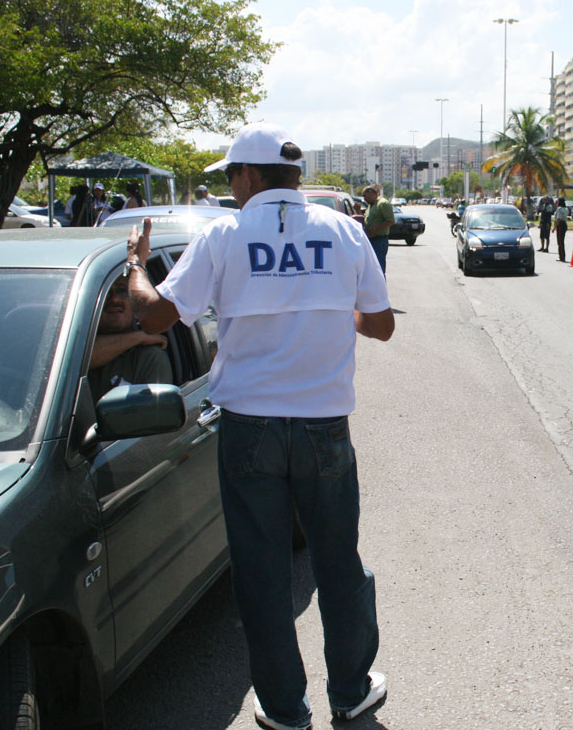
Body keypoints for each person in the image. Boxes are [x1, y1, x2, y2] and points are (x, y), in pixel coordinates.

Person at [124, 122, 394, 730]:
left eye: (230, 176)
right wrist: (324, 309)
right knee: (338, 563)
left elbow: (155, 315)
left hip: (249, 432)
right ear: (294, 178)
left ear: (247, 176)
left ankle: (283, 709)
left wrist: (139, 267)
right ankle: (351, 691)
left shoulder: (223, 235)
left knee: (262, 571)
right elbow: (381, 326)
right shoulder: (345, 231)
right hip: (326, 431)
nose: (230, 187)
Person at [88, 274, 173, 401]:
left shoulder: (149, 358)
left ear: (135, 303)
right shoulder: (70, 343)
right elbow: (81, 357)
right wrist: (139, 337)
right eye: (106, 293)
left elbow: (154, 414)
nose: (115, 299)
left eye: (122, 291)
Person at [362, 184, 394, 275]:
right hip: (370, 240)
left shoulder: (383, 203)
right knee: (371, 269)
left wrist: (377, 226)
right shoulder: (371, 205)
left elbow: (391, 221)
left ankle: (381, 288)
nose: (364, 199)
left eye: (365, 196)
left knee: (379, 268)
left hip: (379, 240)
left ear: (371, 192)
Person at [553, 198, 569, 262]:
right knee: (561, 241)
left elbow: (558, 219)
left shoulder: (559, 209)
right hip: (564, 224)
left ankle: (562, 256)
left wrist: (554, 227)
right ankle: (562, 255)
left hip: (560, 225)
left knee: (560, 242)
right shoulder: (566, 209)